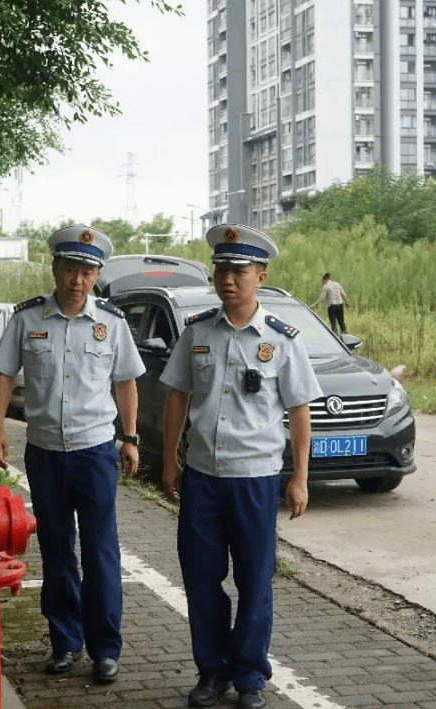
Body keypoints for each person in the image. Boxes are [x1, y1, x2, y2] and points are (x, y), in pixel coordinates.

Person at [160, 224, 323, 709]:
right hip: (203, 479)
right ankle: (212, 671)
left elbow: (299, 411)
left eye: (239, 270)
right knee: (201, 578)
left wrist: (299, 477)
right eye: (222, 269)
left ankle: (251, 676)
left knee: (255, 581)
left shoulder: (282, 340)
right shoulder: (198, 332)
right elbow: (176, 396)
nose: (228, 279)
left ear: (260, 275)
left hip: (254, 479)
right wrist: (170, 461)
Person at [0, 225, 145, 686]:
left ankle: (105, 649)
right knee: (56, 549)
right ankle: (64, 642)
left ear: (96, 275)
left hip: (95, 451)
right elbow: (1, 372)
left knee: (99, 551)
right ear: (55, 268)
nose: (78, 280)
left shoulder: (112, 324)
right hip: (45, 453)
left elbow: (126, 382)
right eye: (70, 269)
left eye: (87, 271)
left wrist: (130, 437)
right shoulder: (28, 320)